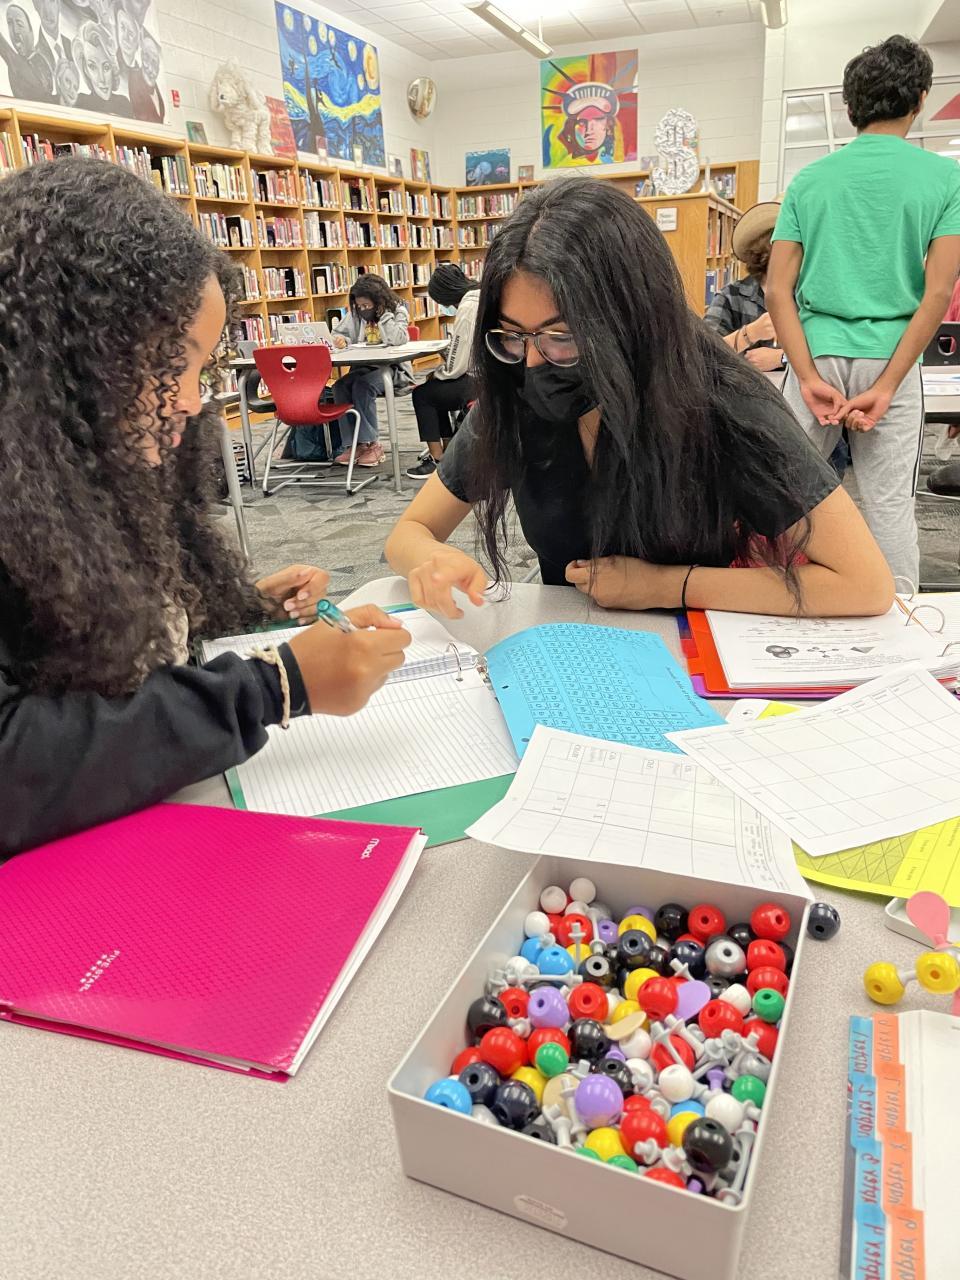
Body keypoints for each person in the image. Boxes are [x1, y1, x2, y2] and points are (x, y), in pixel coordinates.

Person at [0, 159, 411, 858]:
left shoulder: (83, 465)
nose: (190, 400)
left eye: (200, 367)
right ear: (68, 357)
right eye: (169, 362)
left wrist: (237, 609)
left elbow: (90, 633)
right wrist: (275, 686)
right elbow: (17, 762)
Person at [384, 177, 893, 621]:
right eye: (514, 335)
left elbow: (865, 583)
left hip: (701, 647)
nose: (534, 362)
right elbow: (410, 531)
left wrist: (668, 586)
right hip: (570, 650)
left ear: (632, 320)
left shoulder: (724, 401)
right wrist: (429, 558)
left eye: (563, 336)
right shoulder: (517, 394)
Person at [766, 34, 960, 587]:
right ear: (920, 99)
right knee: (889, 506)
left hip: (816, 353)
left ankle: (771, 606)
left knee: (785, 496)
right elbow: (938, 293)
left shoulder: (809, 180)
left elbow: (777, 290)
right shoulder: (947, 178)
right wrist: (889, 384)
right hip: (891, 358)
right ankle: (901, 623)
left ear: (850, 108)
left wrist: (807, 377)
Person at [406, 263, 480, 481]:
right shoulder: (481, 296)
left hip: (478, 380)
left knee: (422, 394)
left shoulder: (468, 307)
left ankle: (437, 460)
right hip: (490, 376)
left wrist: (439, 373)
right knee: (434, 389)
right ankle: (449, 449)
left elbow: (458, 362)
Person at [330, 274, 411, 469]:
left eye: (367, 305)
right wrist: (342, 340)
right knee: (340, 386)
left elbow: (399, 338)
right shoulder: (356, 314)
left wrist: (384, 316)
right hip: (364, 366)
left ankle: (372, 444)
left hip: (392, 369)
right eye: (359, 306)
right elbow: (338, 333)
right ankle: (354, 445)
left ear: (379, 301)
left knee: (363, 386)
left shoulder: (398, 311)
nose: (363, 310)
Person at [704, 200, 786, 375]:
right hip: (744, 389)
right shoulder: (731, 297)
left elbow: (829, 353)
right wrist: (751, 333)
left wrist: (781, 358)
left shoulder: (806, 297)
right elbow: (704, 355)